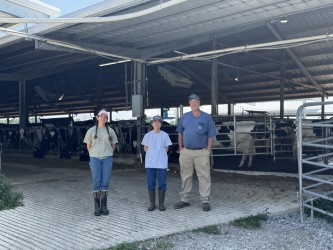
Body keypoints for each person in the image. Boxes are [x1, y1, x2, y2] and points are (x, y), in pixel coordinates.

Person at [174, 94, 216, 211]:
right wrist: (181, 148)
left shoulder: (206, 117)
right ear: (189, 104)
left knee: (204, 176)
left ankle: (205, 200)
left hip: (201, 152)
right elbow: (180, 133)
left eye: (196, 101)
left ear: (199, 102)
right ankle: (184, 200)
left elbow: (211, 135)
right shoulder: (185, 117)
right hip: (186, 151)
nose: (194, 103)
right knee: (185, 175)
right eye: (192, 102)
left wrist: (208, 150)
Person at [83, 109, 118, 216]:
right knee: (96, 180)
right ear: (97, 118)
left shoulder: (111, 131)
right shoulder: (91, 131)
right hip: (95, 159)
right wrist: (93, 154)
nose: (103, 118)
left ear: (107, 119)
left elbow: (114, 144)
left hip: (107, 158)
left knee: (105, 180)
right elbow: (88, 145)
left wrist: (109, 153)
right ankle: (97, 206)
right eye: (101, 116)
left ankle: (104, 205)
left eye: (105, 117)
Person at [141, 115, 172, 211]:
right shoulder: (148, 135)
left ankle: (161, 204)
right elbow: (145, 148)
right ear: (152, 123)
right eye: (155, 121)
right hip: (150, 163)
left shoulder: (165, 135)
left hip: (162, 163)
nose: (157, 123)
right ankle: (152, 204)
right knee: (151, 183)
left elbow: (167, 148)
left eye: (159, 122)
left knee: (162, 183)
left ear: (161, 124)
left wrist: (159, 155)